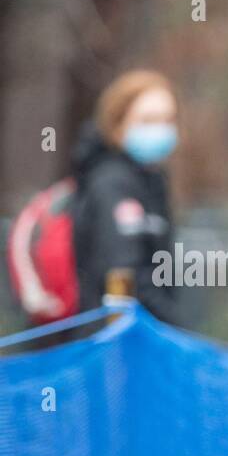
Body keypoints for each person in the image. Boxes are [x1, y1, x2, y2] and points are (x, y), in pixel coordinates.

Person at [71, 70, 180, 322]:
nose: (161, 129)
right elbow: (124, 279)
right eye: (148, 120)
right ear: (117, 123)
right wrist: (179, 333)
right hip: (113, 345)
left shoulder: (153, 182)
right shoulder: (111, 184)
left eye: (168, 119)